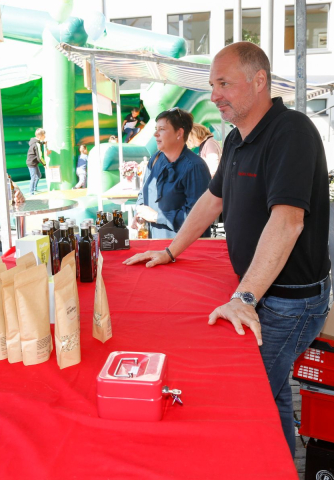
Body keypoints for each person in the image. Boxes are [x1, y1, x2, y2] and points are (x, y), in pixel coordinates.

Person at [123, 42, 330, 457]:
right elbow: (212, 200)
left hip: (289, 301)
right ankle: (285, 461)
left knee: (252, 396)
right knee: (272, 396)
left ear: (259, 81)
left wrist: (244, 297)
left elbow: (287, 221)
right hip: (263, 294)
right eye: (212, 85)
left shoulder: (292, 132)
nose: (214, 95)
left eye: (223, 84)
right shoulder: (236, 138)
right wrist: (171, 250)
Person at [133, 108, 211, 239]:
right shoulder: (155, 159)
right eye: (156, 129)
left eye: (162, 129)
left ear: (179, 133)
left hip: (183, 249)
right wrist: (139, 211)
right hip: (155, 245)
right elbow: (143, 193)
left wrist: (156, 216)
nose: (155, 134)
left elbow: (198, 217)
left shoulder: (195, 167)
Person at [26, 128, 48, 195]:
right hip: (31, 163)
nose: (45, 136)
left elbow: (40, 142)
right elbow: (39, 157)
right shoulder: (36, 144)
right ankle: (31, 192)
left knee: (39, 175)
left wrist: (44, 142)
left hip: (34, 162)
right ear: (40, 136)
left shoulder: (35, 141)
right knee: (33, 177)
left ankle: (35, 188)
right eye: (44, 135)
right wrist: (44, 164)